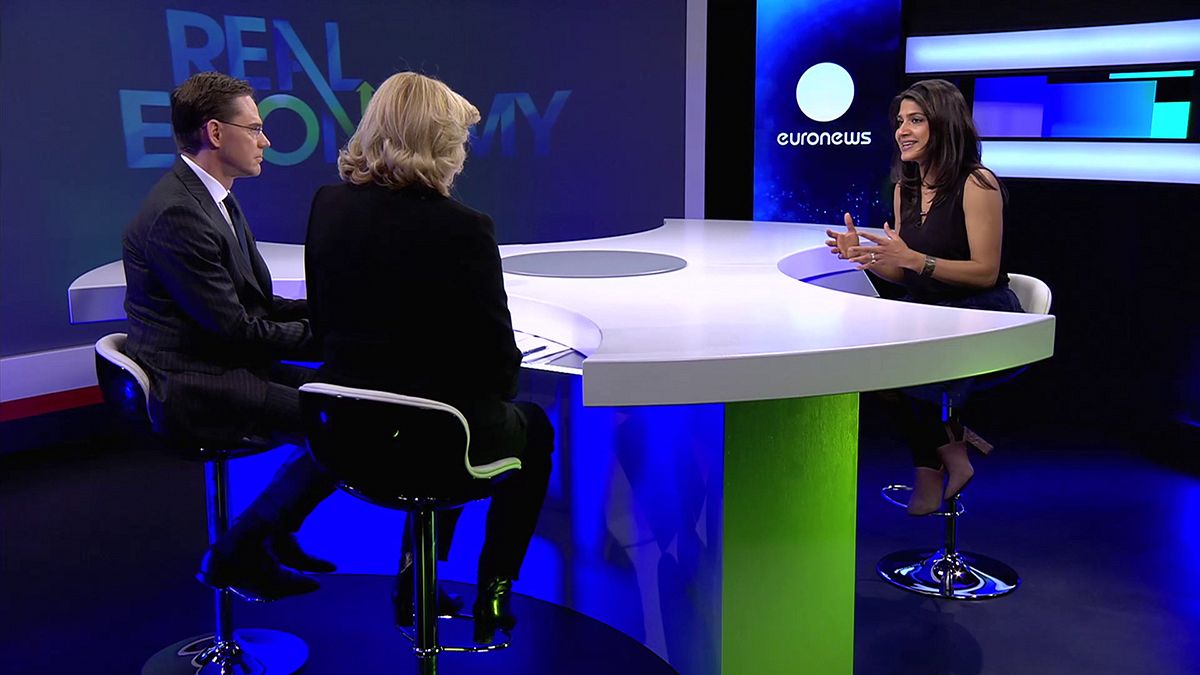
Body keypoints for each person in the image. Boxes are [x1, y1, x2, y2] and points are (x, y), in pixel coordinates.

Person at [304, 71, 554, 644]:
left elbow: (325, 324)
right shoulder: (464, 229)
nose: (463, 153)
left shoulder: (328, 205)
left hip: (344, 434)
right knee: (526, 427)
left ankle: (414, 580)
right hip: (430, 443)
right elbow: (499, 369)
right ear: (435, 145)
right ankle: (494, 589)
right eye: (459, 140)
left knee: (448, 417)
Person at [123, 71, 336, 601]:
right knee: (338, 423)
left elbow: (257, 302)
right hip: (195, 381)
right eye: (256, 129)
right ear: (216, 133)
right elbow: (237, 331)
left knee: (341, 396)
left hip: (221, 360)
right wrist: (331, 338)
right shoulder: (178, 212)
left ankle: (272, 534)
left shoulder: (214, 197)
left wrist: (339, 316)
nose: (266, 141)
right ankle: (236, 552)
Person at [825, 78, 1023, 516]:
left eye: (915, 120)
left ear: (943, 124)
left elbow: (984, 271)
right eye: (900, 121)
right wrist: (866, 257)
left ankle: (933, 467)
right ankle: (949, 448)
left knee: (905, 357)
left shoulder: (978, 183)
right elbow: (904, 271)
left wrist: (917, 260)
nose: (902, 131)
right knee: (868, 353)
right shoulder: (906, 188)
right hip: (931, 306)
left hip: (983, 307)